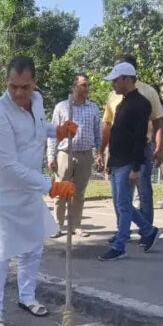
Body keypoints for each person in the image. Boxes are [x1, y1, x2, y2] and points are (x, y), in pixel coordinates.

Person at [0, 56, 77, 326]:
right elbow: (9, 167)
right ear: (6, 83)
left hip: (28, 191)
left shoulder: (38, 101)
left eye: (25, 86)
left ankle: (27, 296)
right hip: (3, 195)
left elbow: (33, 130)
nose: (19, 93)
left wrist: (56, 131)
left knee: (33, 248)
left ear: (34, 82)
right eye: (13, 87)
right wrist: (51, 186)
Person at [97, 62, 161, 262]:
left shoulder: (141, 103)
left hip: (128, 162)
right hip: (117, 160)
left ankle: (120, 245)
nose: (113, 84)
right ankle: (148, 230)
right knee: (121, 202)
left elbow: (139, 138)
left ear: (126, 79)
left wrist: (136, 167)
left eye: (116, 80)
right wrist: (109, 159)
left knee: (124, 205)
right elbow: (116, 132)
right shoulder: (123, 101)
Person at [47, 73, 101, 238]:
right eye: (83, 85)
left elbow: (97, 133)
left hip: (85, 155)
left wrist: (100, 153)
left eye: (87, 85)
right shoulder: (62, 107)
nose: (87, 88)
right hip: (65, 154)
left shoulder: (93, 108)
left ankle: (76, 225)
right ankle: (57, 225)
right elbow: (54, 134)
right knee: (61, 191)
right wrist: (51, 156)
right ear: (74, 87)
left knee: (79, 192)